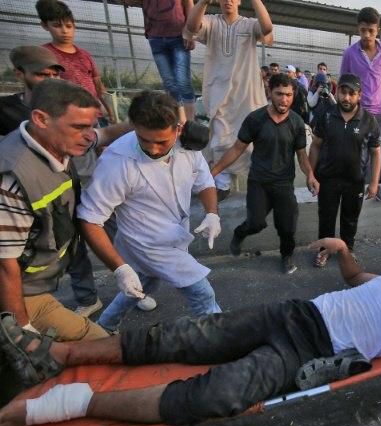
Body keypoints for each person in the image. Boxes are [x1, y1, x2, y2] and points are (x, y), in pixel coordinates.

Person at [0, 238, 381, 426]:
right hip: (287, 314)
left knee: (217, 395)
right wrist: (342, 248)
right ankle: (61, 354)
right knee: (177, 337)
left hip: (302, 351)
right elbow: (350, 279)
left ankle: (73, 404)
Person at [77, 92, 221, 332]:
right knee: (202, 292)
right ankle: (216, 337)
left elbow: (204, 181)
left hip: (174, 233)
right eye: (145, 140)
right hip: (145, 242)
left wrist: (212, 213)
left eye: (162, 142)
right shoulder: (117, 162)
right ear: (133, 127)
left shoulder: (187, 145)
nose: (153, 149)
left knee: (141, 283)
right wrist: (119, 267)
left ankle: (104, 327)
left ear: (178, 128)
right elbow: (90, 219)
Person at [0, 79, 108, 342]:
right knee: (97, 346)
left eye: (92, 126)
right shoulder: (11, 179)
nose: (89, 135)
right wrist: (22, 333)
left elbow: (105, 135)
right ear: (41, 119)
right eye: (80, 127)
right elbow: (4, 266)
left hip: (37, 286)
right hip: (22, 293)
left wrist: (145, 126)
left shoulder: (57, 142)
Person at [211, 74, 313, 275]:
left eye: (289, 95)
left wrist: (310, 175)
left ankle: (286, 255)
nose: (284, 100)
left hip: (284, 184)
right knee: (256, 223)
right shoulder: (255, 119)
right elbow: (237, 148)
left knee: (287, 227)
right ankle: (240, 233)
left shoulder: (297, 122)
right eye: (279, 94)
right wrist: (213, 172)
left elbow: (302, 156)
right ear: (270, 92)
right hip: (259, 182)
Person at [185, 0, 273, 199]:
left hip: (246, 92)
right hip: (218, 88)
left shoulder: (249, 24)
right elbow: (192, 26)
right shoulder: (211, 21)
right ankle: (222, 182)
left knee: (250, 136)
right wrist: (203, 2)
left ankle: (256, 180)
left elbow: (267, 28)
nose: (229, 1)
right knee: (221, 134)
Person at [309, 74, 381, 266]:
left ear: (359, 95)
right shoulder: (326, 114)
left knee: (350, 219)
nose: (346, 98)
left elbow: (375, 153)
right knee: (326, 217)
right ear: (337, 91)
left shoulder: (369, 121)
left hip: (354, 181)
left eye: (352, 93)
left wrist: (374, 182)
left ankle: (347, 250)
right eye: (343, 92)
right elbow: (315, 145)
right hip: (327, 179)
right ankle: (324, 250)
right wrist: (311, 174)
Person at [35, 0, 116, 125]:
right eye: (57, 25)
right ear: (45, 26)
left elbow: (99, 86)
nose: (64, 31)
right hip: (66, 116)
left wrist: (110, 112)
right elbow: (41, 88)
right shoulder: (45, 54)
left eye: (68, 26)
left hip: (94, 114)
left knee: (98, 142)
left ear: (74, 25)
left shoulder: (84, 55)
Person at [127, 0, 197, 123]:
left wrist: (191, 33)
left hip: (179, 36)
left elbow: (189, 5)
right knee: (169, 82)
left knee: (183, 81)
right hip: (156, 38)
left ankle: (191, 122)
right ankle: (180, 120)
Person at [340, 7, 381, 136]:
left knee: (375, 147)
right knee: (355, 148)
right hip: (356, 110)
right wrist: (341, 110)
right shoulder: (349, 53)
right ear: (358, 28)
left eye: (371, 30)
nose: (367, 35)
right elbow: (343, 83)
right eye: (363, 30)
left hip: (378, 111)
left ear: (378, 31)